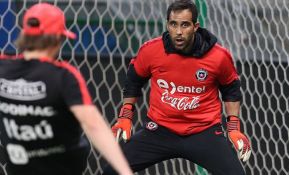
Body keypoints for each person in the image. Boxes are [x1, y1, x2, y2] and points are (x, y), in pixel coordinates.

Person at [104, 0, 252, 174]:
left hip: (203, 132)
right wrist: (125, 116)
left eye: (185, 25)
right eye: (173, 24)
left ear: (196, 26)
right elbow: (134, 81)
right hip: (158, 131)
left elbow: (231, 90)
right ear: (167, 25)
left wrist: (233, 128)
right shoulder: (151, 51)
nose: (179, 32)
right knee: (112, 170)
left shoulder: (218, 56)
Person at [0, 3, 133, 175]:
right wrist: (125, 172)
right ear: (57, 38)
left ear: (24, 34)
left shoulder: (3, 68)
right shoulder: (63, 75)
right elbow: (93, 125)